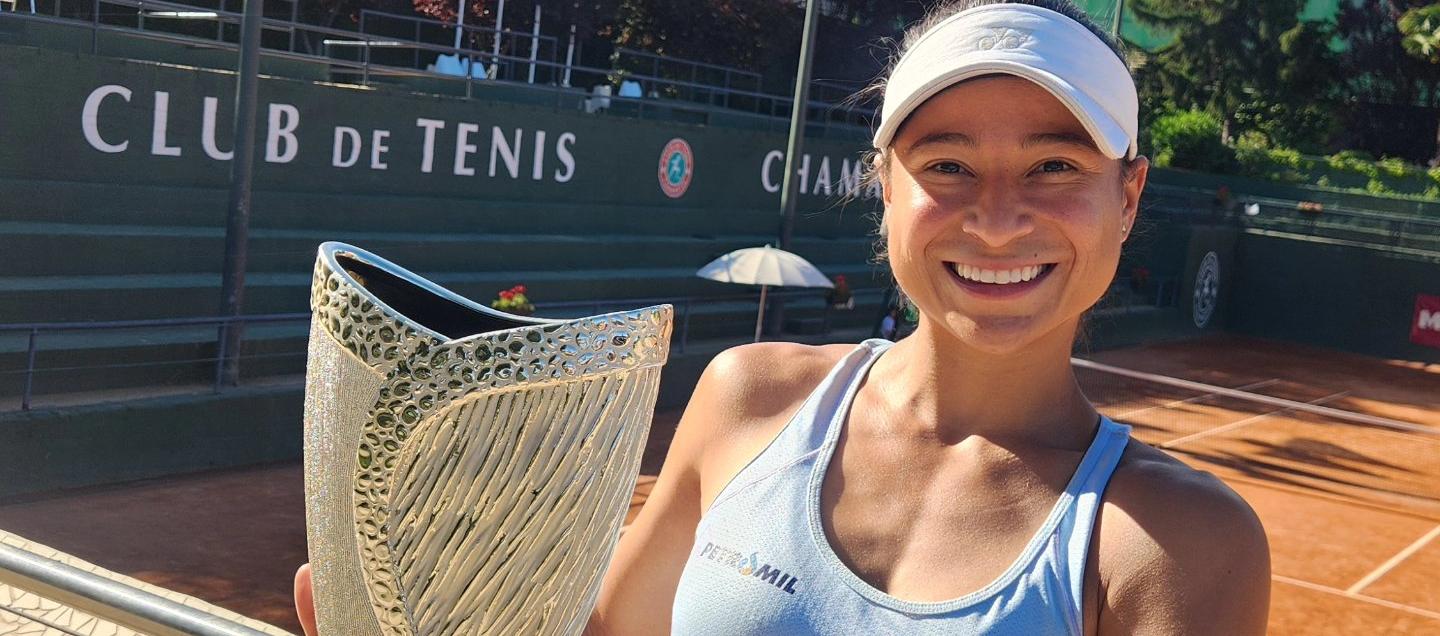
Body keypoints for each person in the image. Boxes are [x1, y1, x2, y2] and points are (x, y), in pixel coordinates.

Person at [295, 1, 1271, 633]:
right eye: (947, 164)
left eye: (1056, 165)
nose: (999, 214)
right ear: (885, 185)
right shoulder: (746, 400)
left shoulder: (1180, 548)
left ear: (1130, 195)